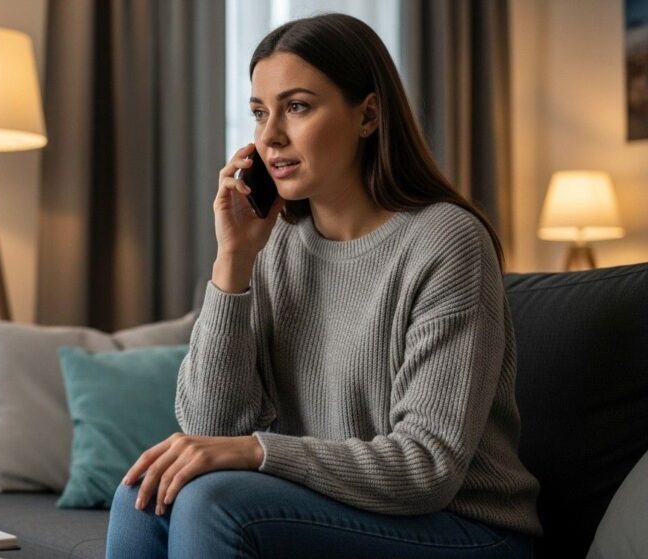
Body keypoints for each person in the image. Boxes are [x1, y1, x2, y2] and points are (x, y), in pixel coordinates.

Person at [105, 13, 542, 559]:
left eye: (297, 107)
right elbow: (211, 426)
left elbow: (427, 468)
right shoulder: (273, 243)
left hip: (467, 529)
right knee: (144, 496)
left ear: (368, 115)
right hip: (339, 510)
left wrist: (259, 453)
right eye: (260, 113)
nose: (270, 137)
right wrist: (233, 259)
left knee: (211, 501)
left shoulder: (446, 241)